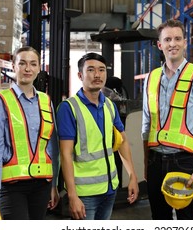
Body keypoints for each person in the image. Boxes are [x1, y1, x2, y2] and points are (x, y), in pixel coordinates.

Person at [141, 19, 193, 220]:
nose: (172, 44)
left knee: (187, 219)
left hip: (184, 161)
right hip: (155, 160)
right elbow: (146, 124)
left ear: (184, 43)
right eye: (167, 39)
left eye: (177, 39)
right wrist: (145, 164)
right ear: (160, 45)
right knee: (159, 218)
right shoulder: (151, 78)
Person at [56, 52, 139, 220]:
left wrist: (132, 176)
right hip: (85, 194)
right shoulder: (68, 108)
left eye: (102, 70)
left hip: (110, 189)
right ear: (80, 75)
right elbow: (65, 154)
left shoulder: (109, 105)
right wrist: (72, 195)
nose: (97, 75)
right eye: (91, 70)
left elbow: (122, 142)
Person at [0, 46, 60, 219]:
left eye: (33, 64)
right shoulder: (1, 101)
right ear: (13, 66)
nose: (27, 69)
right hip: (12, 186)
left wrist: (54, 184)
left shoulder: (46, 101)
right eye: (22, 63)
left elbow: (52, 147)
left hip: (42, 185)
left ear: (39, 68)